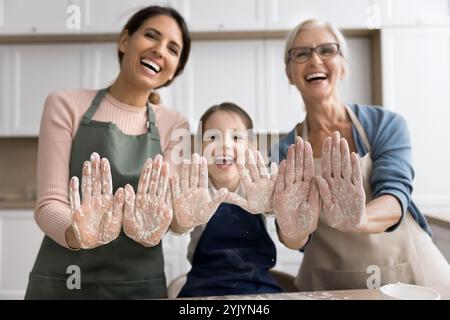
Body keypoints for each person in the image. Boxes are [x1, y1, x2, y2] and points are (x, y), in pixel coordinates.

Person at [25, 5, 195, 299]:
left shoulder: (175, 124)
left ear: (174, 71)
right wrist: (79, 233)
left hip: (139, 285)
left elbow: (167, 214)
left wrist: (184, 217)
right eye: (151, 36)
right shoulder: (65, 104)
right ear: (124, 41)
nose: (158, 50)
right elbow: (49, 203)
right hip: (65, 280)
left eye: (172, 49)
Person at [271, 19, 450, 291]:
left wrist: (358, 219)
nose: (315, 60)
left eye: (327, 50)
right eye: (301, 53)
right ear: (289, 72)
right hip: (331, 281)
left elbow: (395, 196)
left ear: (343, 65)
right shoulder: (285, 152)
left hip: (410, 273)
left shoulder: (384, 125)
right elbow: (294, 235)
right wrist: (292, 233)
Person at [177, 102, 282, 297]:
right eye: (212, 137)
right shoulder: (194, 190)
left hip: (257, 287)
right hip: (202, 288)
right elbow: (178, 226)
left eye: (236, 137)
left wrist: (273, 204)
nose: (224, 144)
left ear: (251, 146)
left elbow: (277, 212)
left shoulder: (260, 186)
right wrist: (182, 221)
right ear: (201, 147)